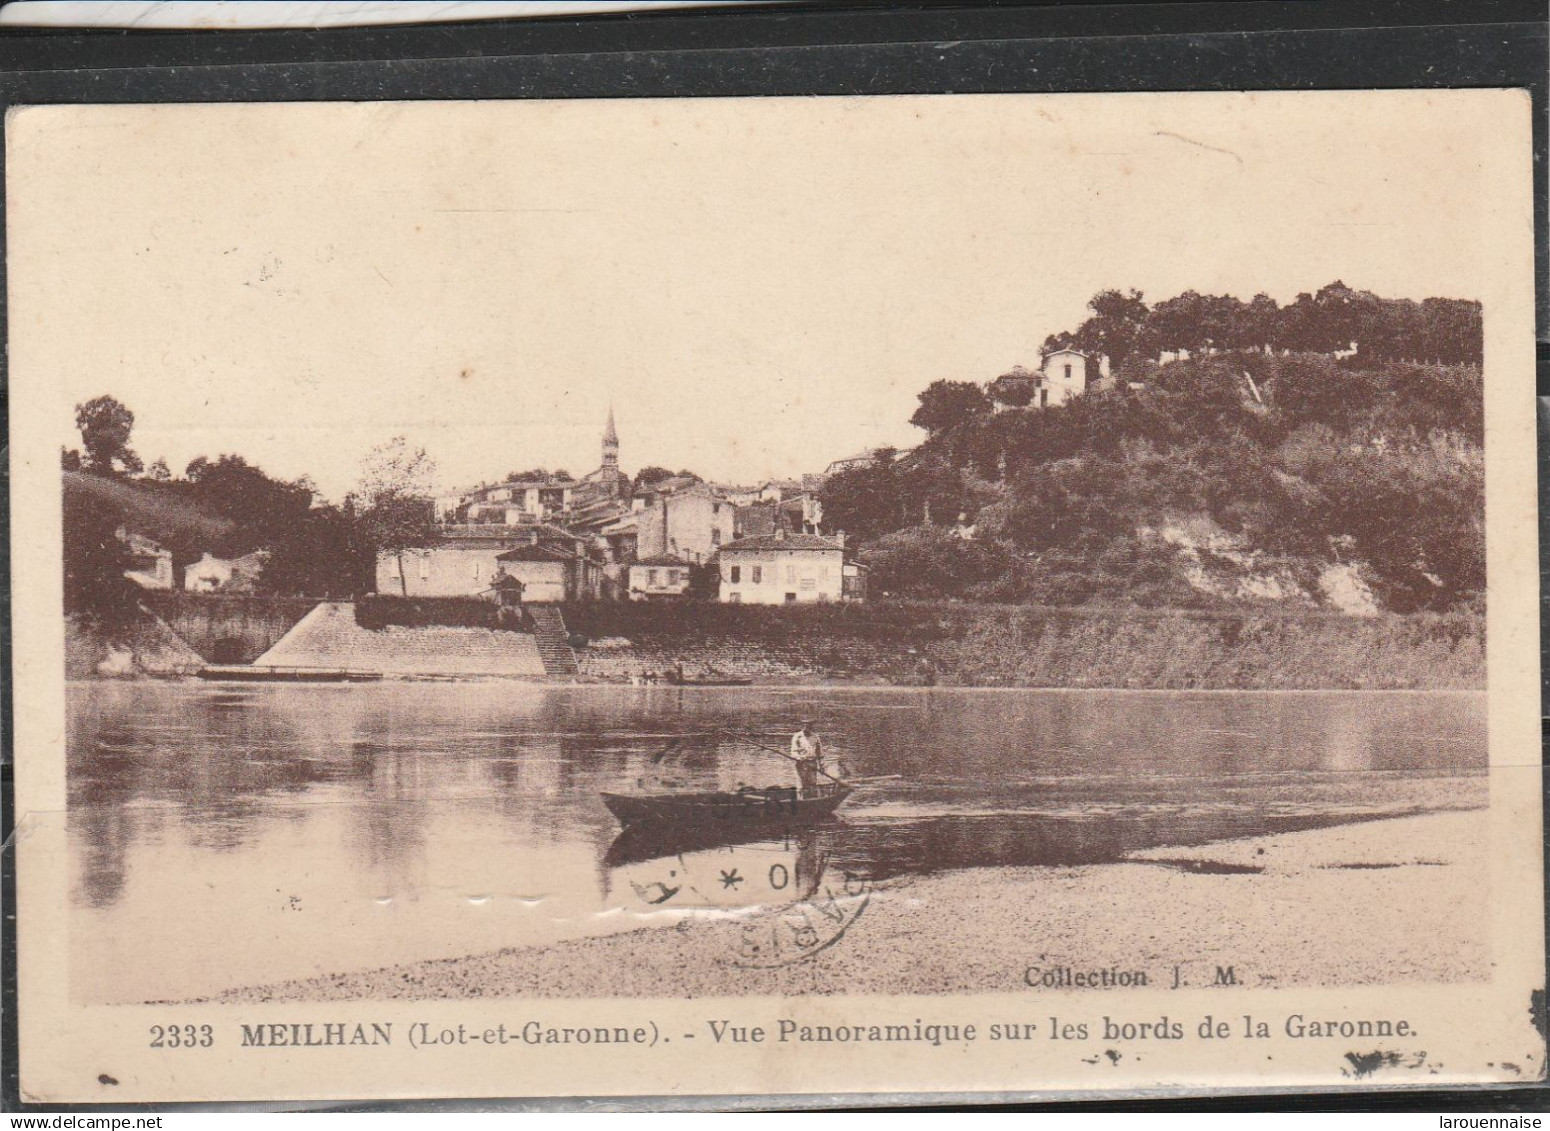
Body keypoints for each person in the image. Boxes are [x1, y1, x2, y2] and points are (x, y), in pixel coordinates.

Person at [790, 720, 825, 797]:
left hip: (812, 763)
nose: (805, 728)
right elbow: (793, 752)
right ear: (801, 726)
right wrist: (799, 758)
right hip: (801, 764)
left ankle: (812, 800)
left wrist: (822, 766)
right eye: (804, 726)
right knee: (801, 784)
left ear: (811, 726)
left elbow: (820, 753)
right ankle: (801, 801)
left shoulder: (815, 737)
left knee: (812, 783)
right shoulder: (797, 737)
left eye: (808, 726)